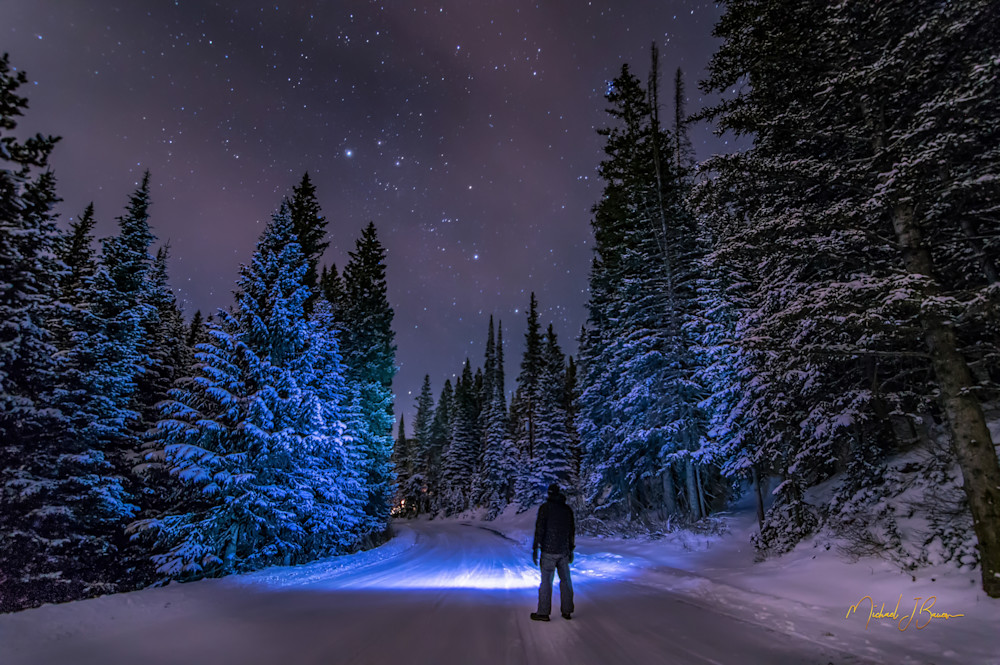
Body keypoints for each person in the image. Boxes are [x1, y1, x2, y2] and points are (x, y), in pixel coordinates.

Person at [530, 483, 575, 621]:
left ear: (549, 493)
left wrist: (535, 548)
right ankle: (567, 611)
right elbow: (571, 531)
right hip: (563, 551)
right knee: (566, 581)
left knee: (546, 582)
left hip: (548, 551)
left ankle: (543, 613)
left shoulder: (545, 508)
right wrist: (571, 548)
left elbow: (540, 529)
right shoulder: (567, 510)